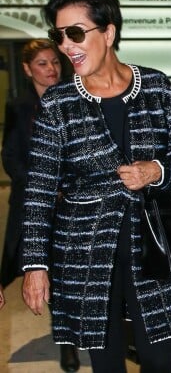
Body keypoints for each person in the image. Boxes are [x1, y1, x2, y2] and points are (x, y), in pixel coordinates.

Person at [20, 0, 171, 373]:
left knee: (159, 358)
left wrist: (156, 170)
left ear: (109, 32)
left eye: (76, 33)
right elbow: (39, 190)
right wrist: (34, 265)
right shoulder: (58, 103)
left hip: (151, 248)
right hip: (84, 254)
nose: (67, 45)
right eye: (59, 35)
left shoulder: (156, 87)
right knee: (106, 361)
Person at [0, 39, 80, 372]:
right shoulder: (19, 106)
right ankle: (67, 341)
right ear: (27, 69)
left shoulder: (76, 100)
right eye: (43, 64)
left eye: (55, 63)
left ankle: (72, 339)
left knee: (68, 274)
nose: (51, 70)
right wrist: (39, 186)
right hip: (36, 205)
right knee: (47, 271)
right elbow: (11, 157)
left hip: (73, 202)